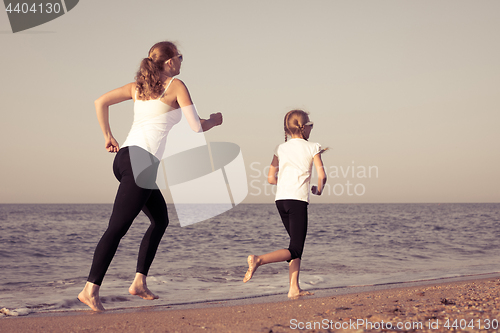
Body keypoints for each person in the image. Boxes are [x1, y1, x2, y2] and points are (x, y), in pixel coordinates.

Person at [78, 41, 223, 311]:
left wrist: (107, 136)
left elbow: (101, 102)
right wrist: (214, 120)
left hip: (126, 159)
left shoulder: (138, 87)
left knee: (160, 219)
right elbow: (196, 127)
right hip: (141, 162)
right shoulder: (176, 86)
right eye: (180, 57)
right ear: (169, 62)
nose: (181, 61)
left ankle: (139, 283)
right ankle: (90, 289)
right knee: (117, 228)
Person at [243, 109, 327, 298]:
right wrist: (318, 190)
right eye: (310, 125)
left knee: (294, 246)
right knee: (295, 248)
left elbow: (271, 178)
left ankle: (294, 288)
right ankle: (259, 260)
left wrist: (287, 179)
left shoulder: (280, 148)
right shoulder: (313, 147)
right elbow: (322, 176)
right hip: (297, 200)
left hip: (281, 200)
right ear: (304, 128)